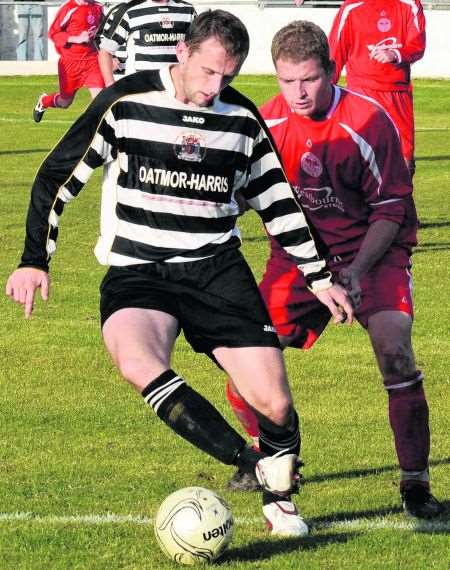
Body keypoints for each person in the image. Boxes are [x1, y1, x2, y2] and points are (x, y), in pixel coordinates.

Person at [5, 10, 354, 537]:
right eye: (209, 72)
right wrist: (35, 258)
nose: (216, 87)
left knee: (275, 400)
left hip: (216, 269)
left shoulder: (240, 120)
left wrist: (320, 275)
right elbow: (58, 176)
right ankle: (252, 463)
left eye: (228, 77)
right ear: (183, 53)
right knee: (136, 358)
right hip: (140, 270)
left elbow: (279, 202)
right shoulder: (126, 101)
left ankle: (280, 504)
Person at [225, 20, 444, 520]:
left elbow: (391, 209)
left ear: (329, 70)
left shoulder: (367, 120)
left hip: (374, 255)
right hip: (297, 259)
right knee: (243, 363)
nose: (297, 93)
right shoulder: (264, 124)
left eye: (308, 79)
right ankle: (271, 456)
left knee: (396, 354)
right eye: (286, 81)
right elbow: (238, 195)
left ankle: (415, 484)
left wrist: (356, 272)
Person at [328, 0, 426, 178]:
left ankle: (400, 204)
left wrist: (396, 53)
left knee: (404, 165)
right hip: (362, 94)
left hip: (398, 96)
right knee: (360, 162)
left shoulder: (409, 4)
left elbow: (418, 43)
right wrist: (324, 94)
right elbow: (334, 54)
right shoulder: (351, 8)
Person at [32, 0, 105, 123]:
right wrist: (76, 39)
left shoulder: (98, 7)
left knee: (100, 99)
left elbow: (103, 30)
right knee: (65, 102)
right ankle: (44, 101)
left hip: (92, 61)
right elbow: (53, 33)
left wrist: (98, 33)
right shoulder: (69, 7)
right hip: (70, 63)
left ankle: (89, 130)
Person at [97, 0, 196, 87]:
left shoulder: (188, 10)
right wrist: (110, 85)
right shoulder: (128, 10)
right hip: (140, 88)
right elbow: (105, 51)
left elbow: (199, 48)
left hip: (177, 86)